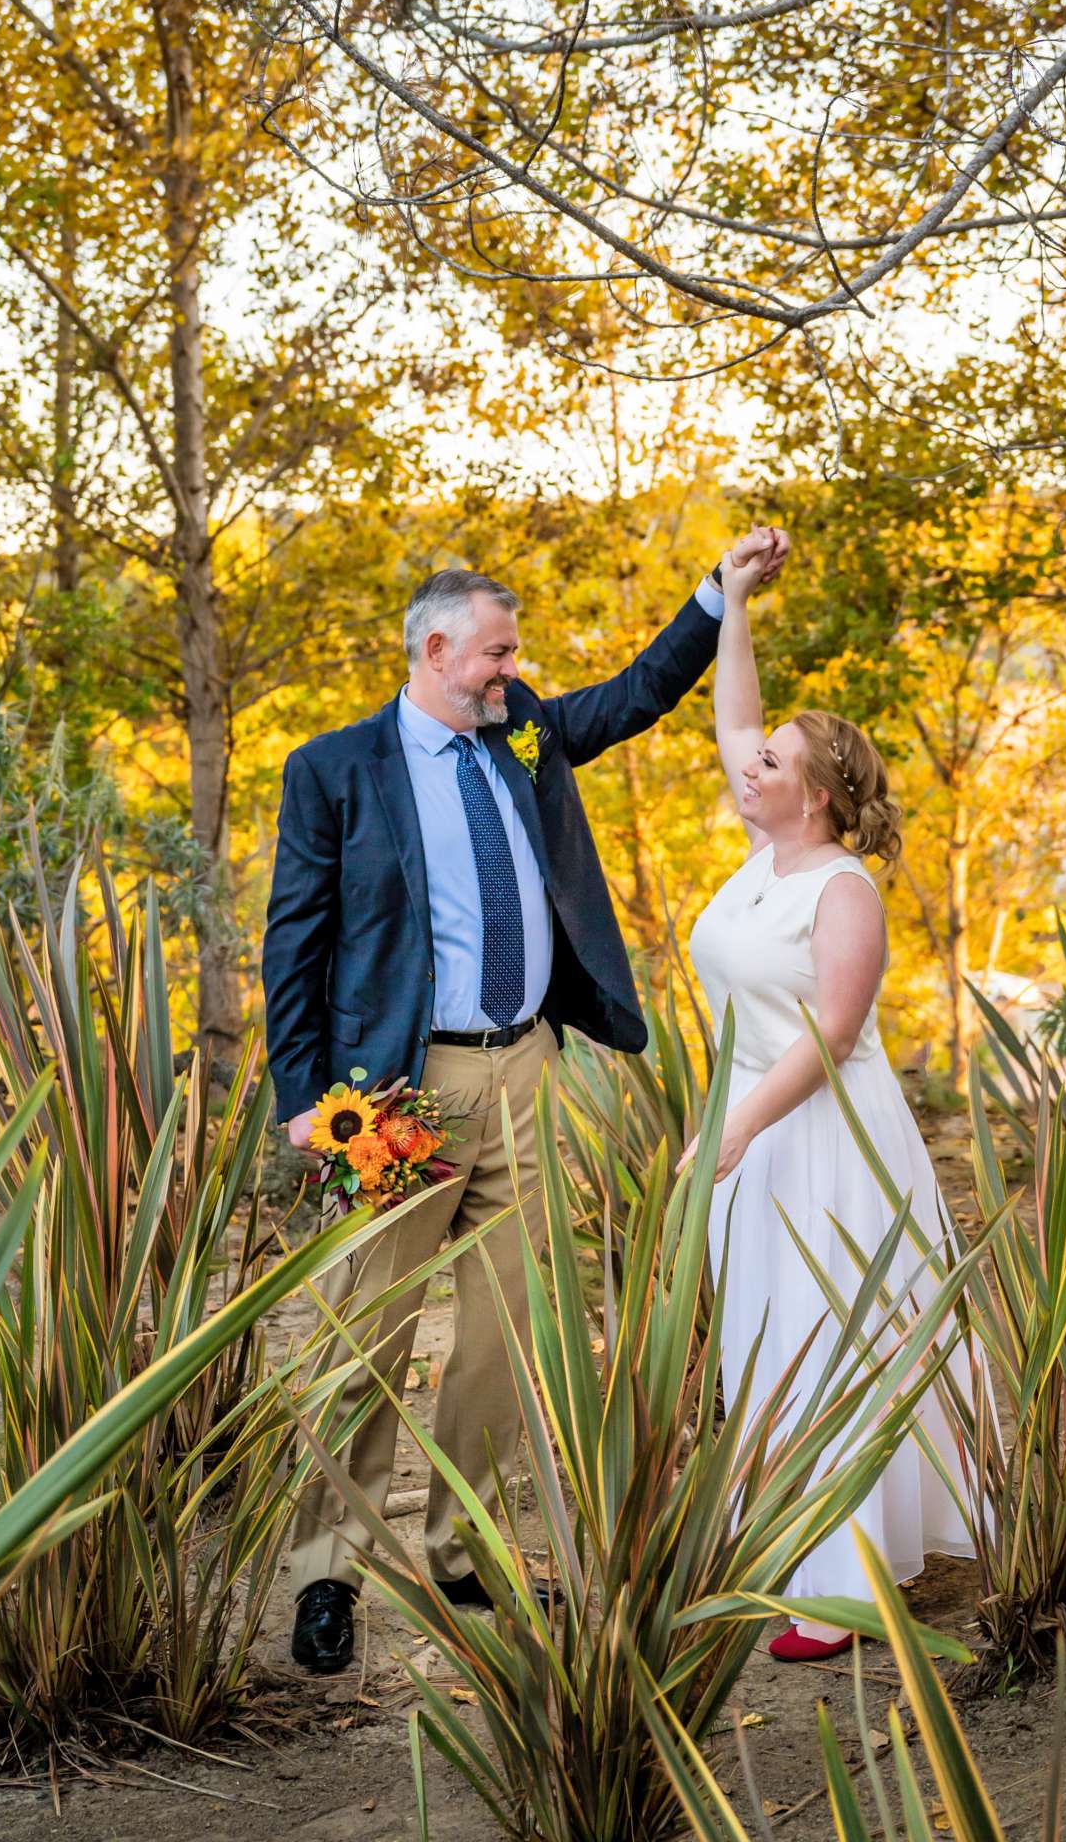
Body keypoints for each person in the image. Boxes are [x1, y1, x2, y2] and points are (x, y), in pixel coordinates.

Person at [262, 536, 788, 1674]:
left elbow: (637, 696)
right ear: (436, 649)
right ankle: (325, 1573)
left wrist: (718, 596)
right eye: (498, 651)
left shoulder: (524, 732)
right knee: (370, 1333)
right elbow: (293, 942)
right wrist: (306, 1101)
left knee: (512, 1334)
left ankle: (461, 1547)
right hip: (392, 1093)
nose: (515, 666)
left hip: (528, 1073)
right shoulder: (336, 769)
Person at [679, 528, 978, 1662]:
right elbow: (733, 717)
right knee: (762, 1344)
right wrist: (735, 600)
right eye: (756, 758)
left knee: (827, 1340)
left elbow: (836, 1031)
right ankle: (794, 1542)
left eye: (771, 762)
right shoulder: (766, 857)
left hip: (825, 1143)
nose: (747, 765)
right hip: (750, 1135)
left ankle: (839, 1591)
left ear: (809, 797)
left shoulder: (841, 888)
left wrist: (742, 1125)